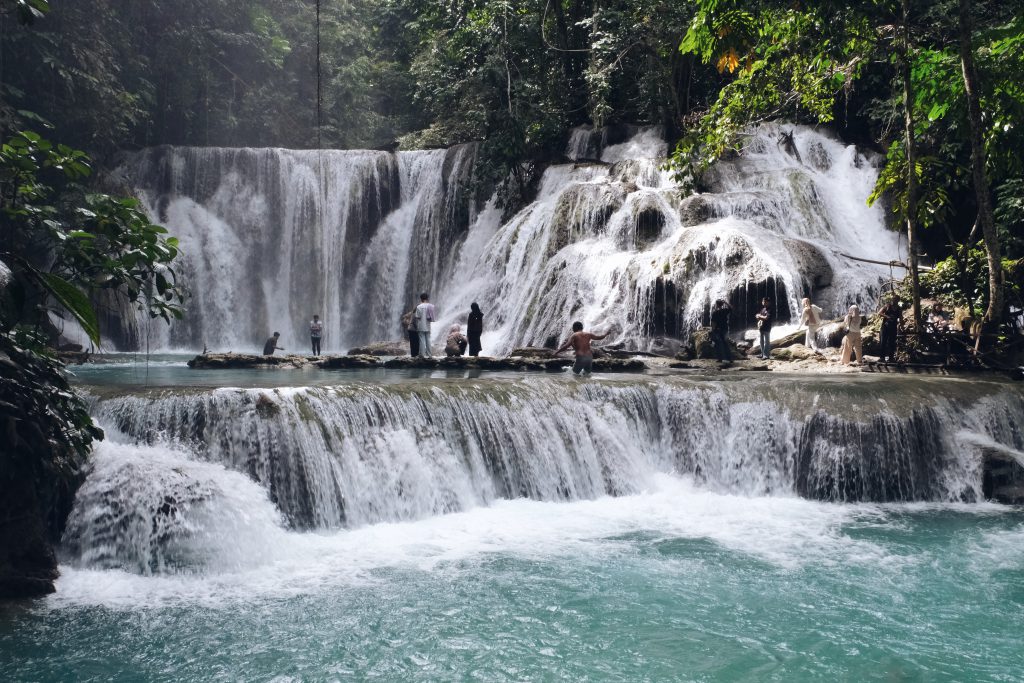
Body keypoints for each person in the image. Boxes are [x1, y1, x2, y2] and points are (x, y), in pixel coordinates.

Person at [709, 299, 733, 365]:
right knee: (725, 343)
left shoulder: (715, 312)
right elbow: (731, 308)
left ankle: (721, 358)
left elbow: (713, 323)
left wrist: (712, 330)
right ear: (722, 304)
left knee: (718, 344)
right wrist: (725, 302)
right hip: (725, 329)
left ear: (716, 304)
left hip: (717, 330)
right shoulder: (725, 311)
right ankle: (729, 358)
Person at [878, 298, 901, 363]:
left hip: (893, 327)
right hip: (885, 327)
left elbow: (901, 317)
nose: (894, 301)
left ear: (898, 301)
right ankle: (882, 357)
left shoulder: (899, 309)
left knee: (892, 343)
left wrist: (901, 325)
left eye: (896, 300)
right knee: (883, 342)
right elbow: (879, 313)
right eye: (894, 300)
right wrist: (887, 316)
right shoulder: (887, 306)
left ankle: (891, 358)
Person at [413, 292, 436, 358]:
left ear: (421, 299)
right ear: (427, 298)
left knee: (422, 340)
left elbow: (418, 316)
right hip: (428, 325)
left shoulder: (419, 307)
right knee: (428, 340)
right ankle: (429, 355)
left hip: (421, 325)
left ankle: (422, 355)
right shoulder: (431, 306)